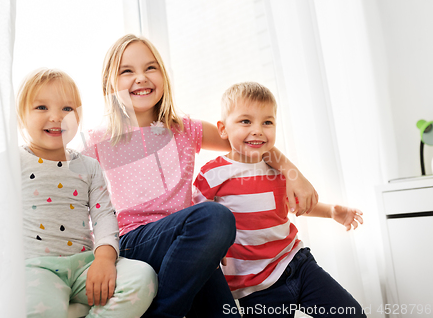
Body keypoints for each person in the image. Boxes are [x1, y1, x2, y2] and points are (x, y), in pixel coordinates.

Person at [80, 34, 319, 318]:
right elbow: (79, 202)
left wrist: (294, 175)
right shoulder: (98, 140)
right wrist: (101, 256)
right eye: (127, 71)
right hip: (136, 241)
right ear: (110, 83)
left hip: (187, 245)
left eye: (150, 68)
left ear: (163, 76)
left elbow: (245, 141)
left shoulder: (184, 129)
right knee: (215, 216)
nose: (141, 78)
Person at [192, 82, 366, 318]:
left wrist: (332, 212)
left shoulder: (277, 170)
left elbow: (293, 204)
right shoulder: (213, 174)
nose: (258, 130)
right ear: (223, 129)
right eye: (246, 121)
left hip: (298, 264)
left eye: (267, 122)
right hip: (257, 288)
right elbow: (194, 219)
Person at [15, 68, 157, 318]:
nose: (56, 117)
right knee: (37, 308)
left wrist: (103, 259)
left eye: (67, 109)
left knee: (143, 277)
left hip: (85, 265)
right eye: (42, 108)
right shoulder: (13, 161)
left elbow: (103, 216)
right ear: (20, 117)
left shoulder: (89, 166)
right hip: (35, 267)